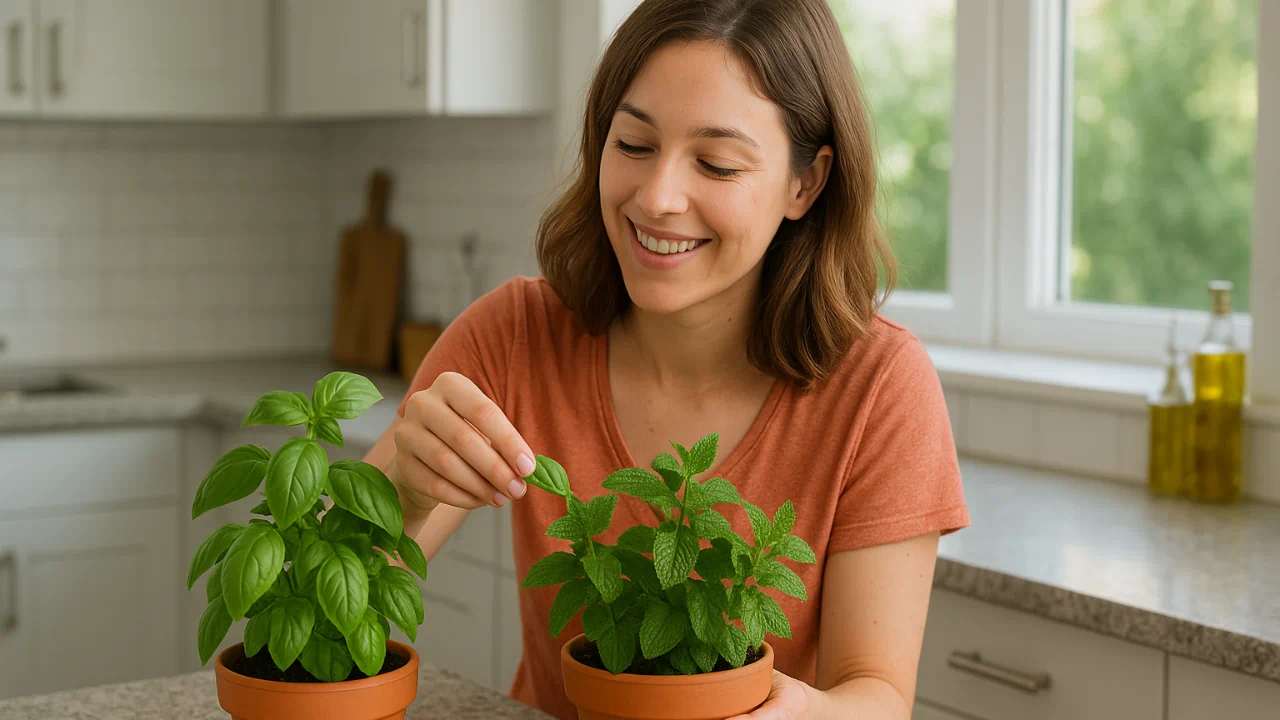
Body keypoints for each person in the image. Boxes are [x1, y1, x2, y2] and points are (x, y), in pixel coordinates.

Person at [363, 0, 969, 717]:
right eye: (634, 145)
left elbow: (876, 694)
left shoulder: (880, 386)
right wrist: (403, 493)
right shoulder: (514, 336)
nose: (657, 198)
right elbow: (318, 616)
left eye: (715, 163)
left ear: (805, 184)